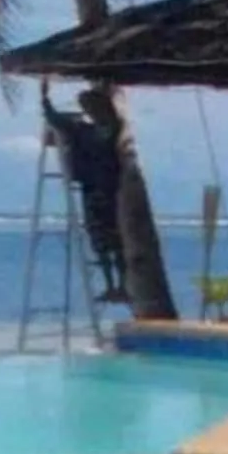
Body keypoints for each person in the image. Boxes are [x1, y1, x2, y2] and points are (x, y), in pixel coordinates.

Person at [42, 87, 131, 303]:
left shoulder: (89, 130)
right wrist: (46, 101)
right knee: (108, 243)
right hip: (105, 189)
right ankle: (116, 286)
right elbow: (55, 119)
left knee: (107, 242)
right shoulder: (107, 128)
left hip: (100, 190)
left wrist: (45, 99)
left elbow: (55, 118)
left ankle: (117, 286)